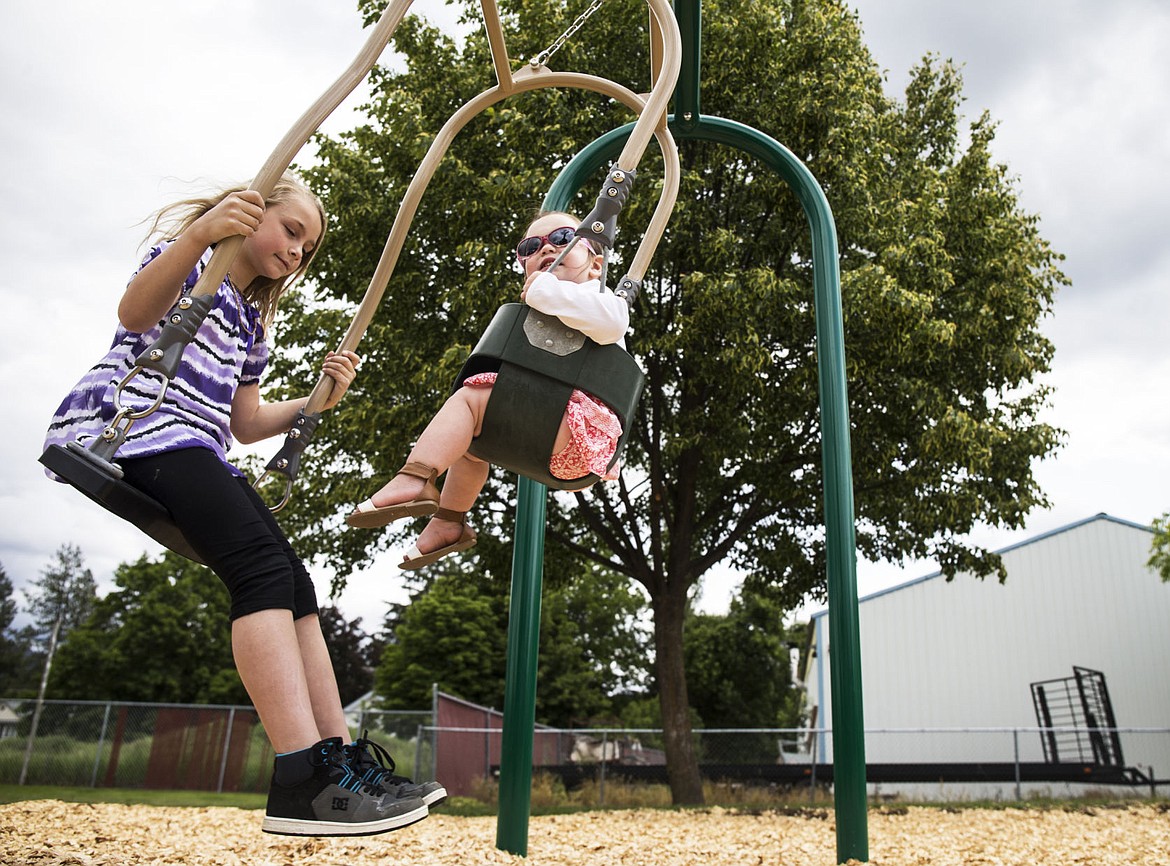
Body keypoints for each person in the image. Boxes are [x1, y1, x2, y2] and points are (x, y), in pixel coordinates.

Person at [43, 171, 444, 836]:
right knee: (257, 571)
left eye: (307, 248)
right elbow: (135, 315)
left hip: (201, 444)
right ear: (251, 211)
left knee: (295, 584)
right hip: (144, 426)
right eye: (292, 231)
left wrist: (318, 401)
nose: (297, 252)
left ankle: (341, 766)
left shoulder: (252, 322)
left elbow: (247, 423)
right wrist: (202, 232)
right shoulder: (195, 263)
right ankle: (301, 776)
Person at [346, 210, 630, 568]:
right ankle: (449, 520)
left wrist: (545, 291)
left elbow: (613, 322)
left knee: (471, 399)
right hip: (550, 433)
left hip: (580, 434)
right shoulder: (541, 311)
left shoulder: (599, 295)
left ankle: (415, 476)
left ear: (595, 264)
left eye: (561, 239)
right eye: (530, 246)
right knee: (468, 445)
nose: (547, 249)